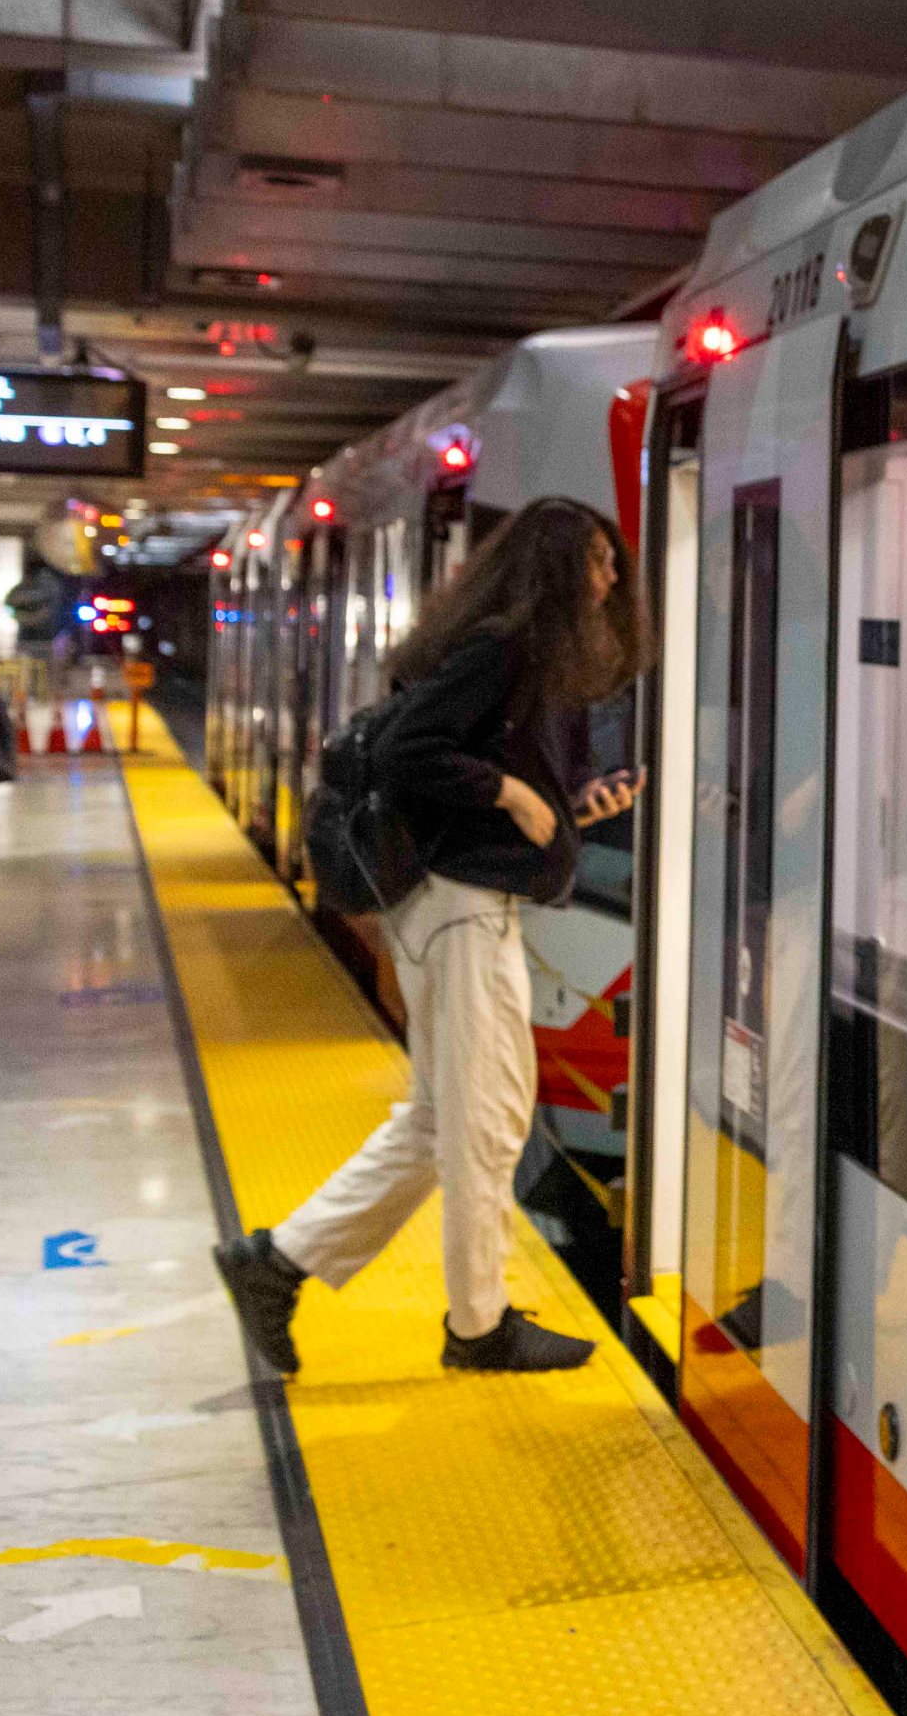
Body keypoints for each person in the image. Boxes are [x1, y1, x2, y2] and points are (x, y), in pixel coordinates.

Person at [211, 499, 647, 1375]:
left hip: (459, 902)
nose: (610, 579)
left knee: (441, 1120)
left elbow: (462, 753)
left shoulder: (509, 652)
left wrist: (569, 807)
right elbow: (414, 747)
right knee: (486, 1120)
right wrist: (513, 798)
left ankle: (278, 1262)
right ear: (555, 570)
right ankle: (479, 1325)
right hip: (461, 907)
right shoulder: (506, 645)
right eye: (598, 561)